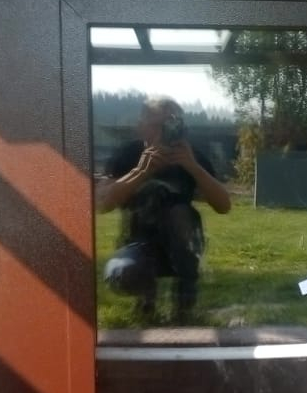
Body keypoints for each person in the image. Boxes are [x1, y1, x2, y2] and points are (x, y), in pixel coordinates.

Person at [96, 96, 231, 322]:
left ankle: (184, 306)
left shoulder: (191, 156)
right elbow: (101, 204)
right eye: (158, 125)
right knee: (124, 274)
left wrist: (193, 167)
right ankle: (146, 303)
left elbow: (224, 205)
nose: (166, 133)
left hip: (182, 247)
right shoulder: (129, 154)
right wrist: (141, 171)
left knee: (179, 214)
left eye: (173, 126)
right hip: (138, 248)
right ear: (141, 127)